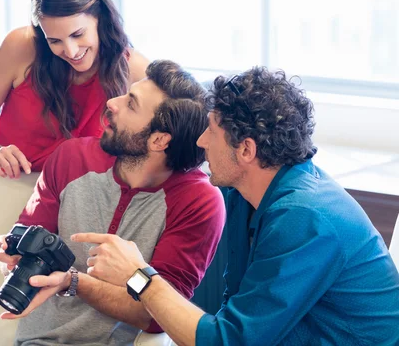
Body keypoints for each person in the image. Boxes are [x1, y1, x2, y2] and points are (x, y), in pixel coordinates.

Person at [73, 67, 399, 346]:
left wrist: (138, 275)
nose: (201, 141)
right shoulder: (246, 192)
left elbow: (229, 341)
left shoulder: (306, 218)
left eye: (211, 132)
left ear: (245, 150)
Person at [0, 60, 226, 345]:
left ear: (158, 140)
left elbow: (159, 315)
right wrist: (14, 253)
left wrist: (74, 282)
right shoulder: (71, 158)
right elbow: (29, 234)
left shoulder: (198, 202)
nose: (112, 103)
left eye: (131, 104)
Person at [0, 0, 149, 297]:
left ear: (100, 19)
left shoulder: (133, 69)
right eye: (55, 41)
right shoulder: (21, 47)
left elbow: (173, 132)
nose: (70, 51)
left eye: (78, 34)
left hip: (78, 225)